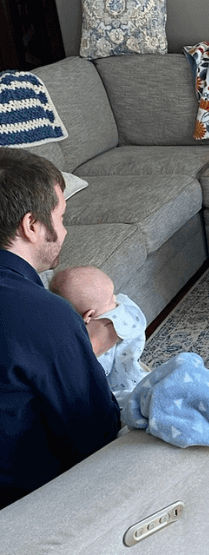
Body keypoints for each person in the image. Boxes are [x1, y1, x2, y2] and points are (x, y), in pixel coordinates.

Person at [0, 148, 121, 509]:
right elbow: (96, 435)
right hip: (29, 505)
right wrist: (88, 352)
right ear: (32, 225)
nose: (65, 230)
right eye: (62, 216)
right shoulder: (43, 314)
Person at [50, 266, 149, 409]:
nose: (116, 299)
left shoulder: (100, 329)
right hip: (126, 388)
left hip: (128, 378)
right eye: (110, 300)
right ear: (88, 315)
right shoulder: (119, 315)